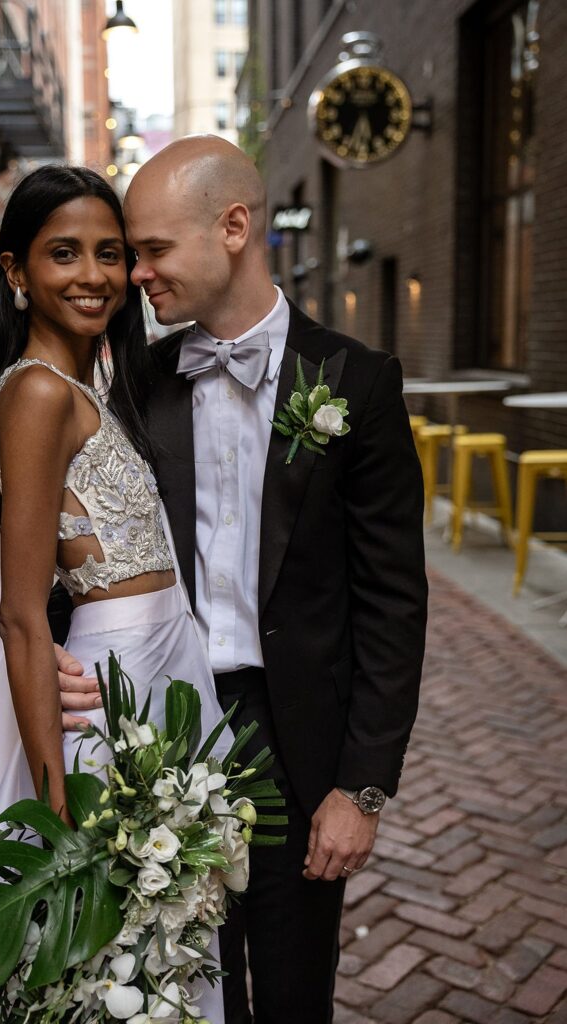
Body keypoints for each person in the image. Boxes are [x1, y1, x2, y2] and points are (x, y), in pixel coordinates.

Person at [53, 136, 428, 1024]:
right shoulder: (132, 385)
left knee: (294, 995)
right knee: (175, 987)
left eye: (150, 249)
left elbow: (391, 601)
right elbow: (85, 534)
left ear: (232, 227)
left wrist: (362, 787)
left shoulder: (357, 384)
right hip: (160, 721)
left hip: (295, 739)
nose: (134, 274)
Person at [0, 165, 230, 1024]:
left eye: (110, 252)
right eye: (64, 254)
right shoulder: (34, 394)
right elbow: (22, 617)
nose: (94, 275)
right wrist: (62, 826)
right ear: (15, 272)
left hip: (157, 678)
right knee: (107, 959)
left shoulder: (80, 387)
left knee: (149, 958)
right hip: (111, 696)